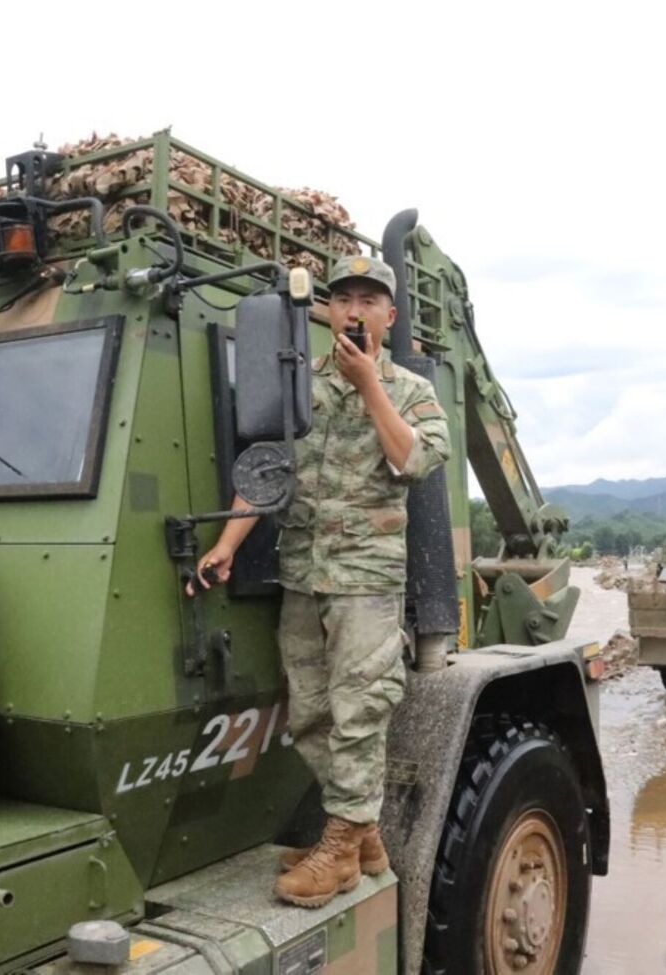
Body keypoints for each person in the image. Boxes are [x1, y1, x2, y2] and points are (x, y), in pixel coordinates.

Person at [188, 254, 450, 907]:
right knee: (309, 712)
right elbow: (267, 471)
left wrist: (369, 387)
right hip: (304, 572)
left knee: (361, 710)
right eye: (344, 299)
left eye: (369, 301)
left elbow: (415, 460)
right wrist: (226, 546)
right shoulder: (299, 385)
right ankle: (363, 839)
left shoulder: (410, 391)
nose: (355, 311)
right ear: (328, 311)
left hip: (366, 578)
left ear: (390, 315)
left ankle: (338, 847)